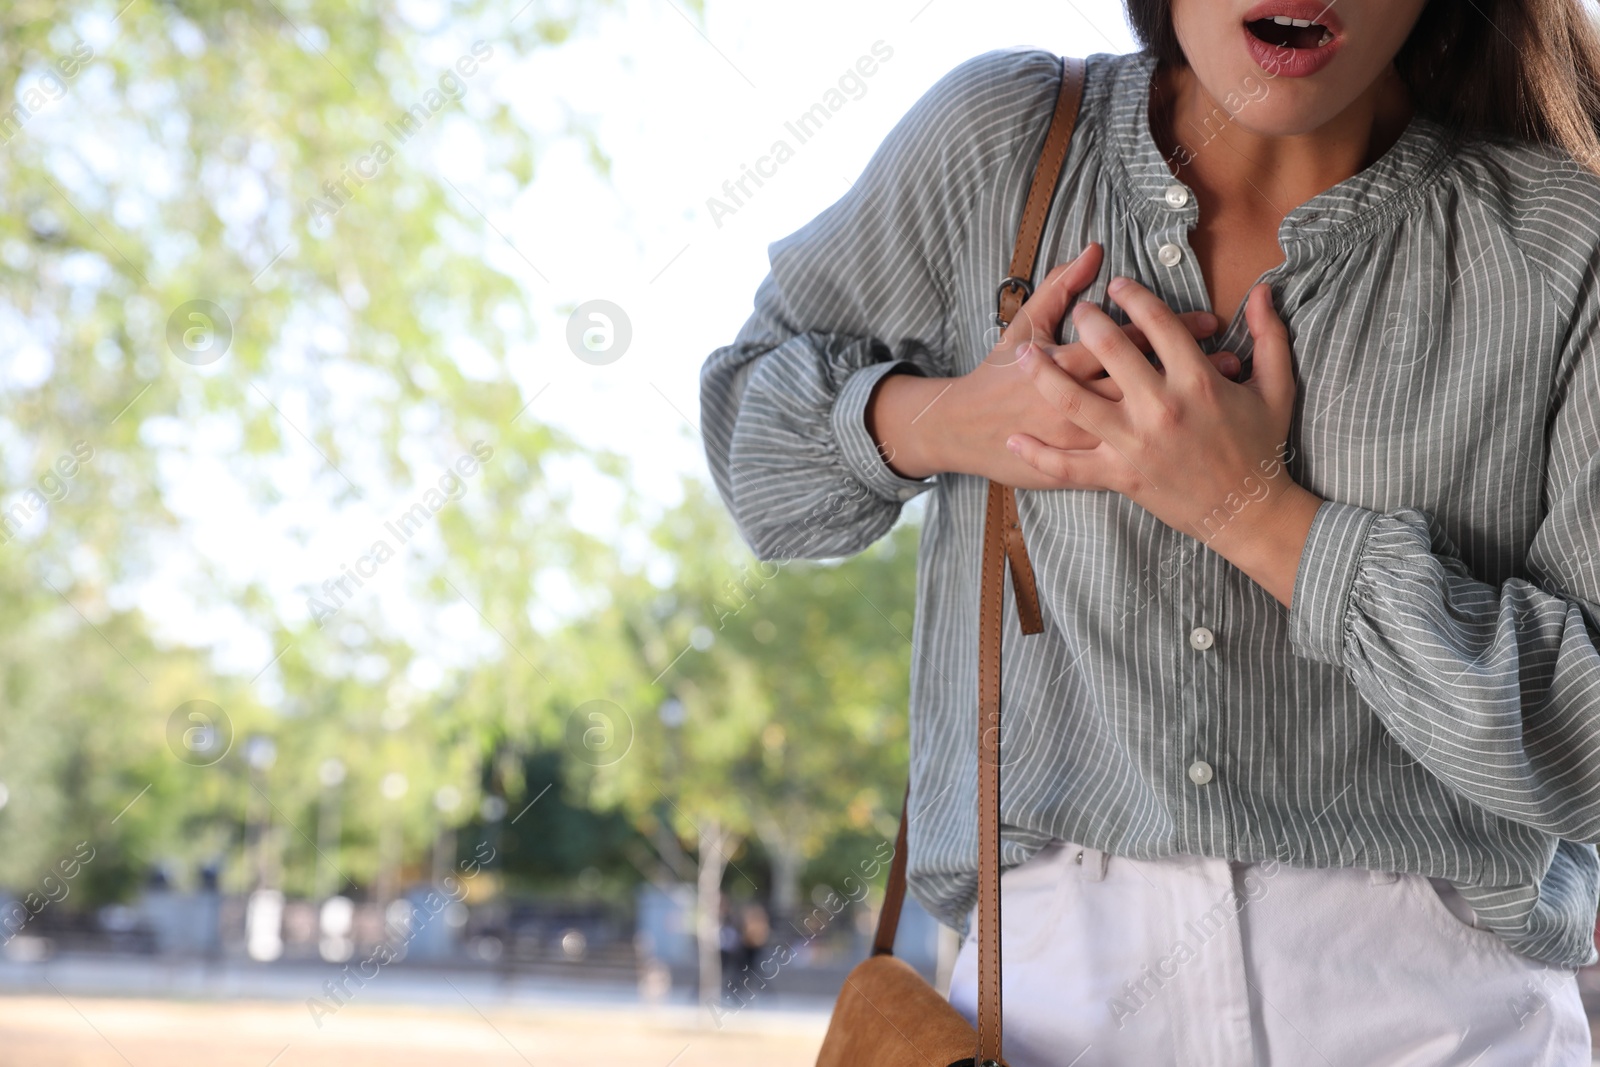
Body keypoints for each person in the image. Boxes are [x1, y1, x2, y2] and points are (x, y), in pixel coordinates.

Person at [699, 0, 1600, 1062]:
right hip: (1045, 1015)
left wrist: (1262, 514)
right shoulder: (1000, 144)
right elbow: (757, 466)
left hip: (1436, 1022)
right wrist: (947, 419)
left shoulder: (1563, 248)